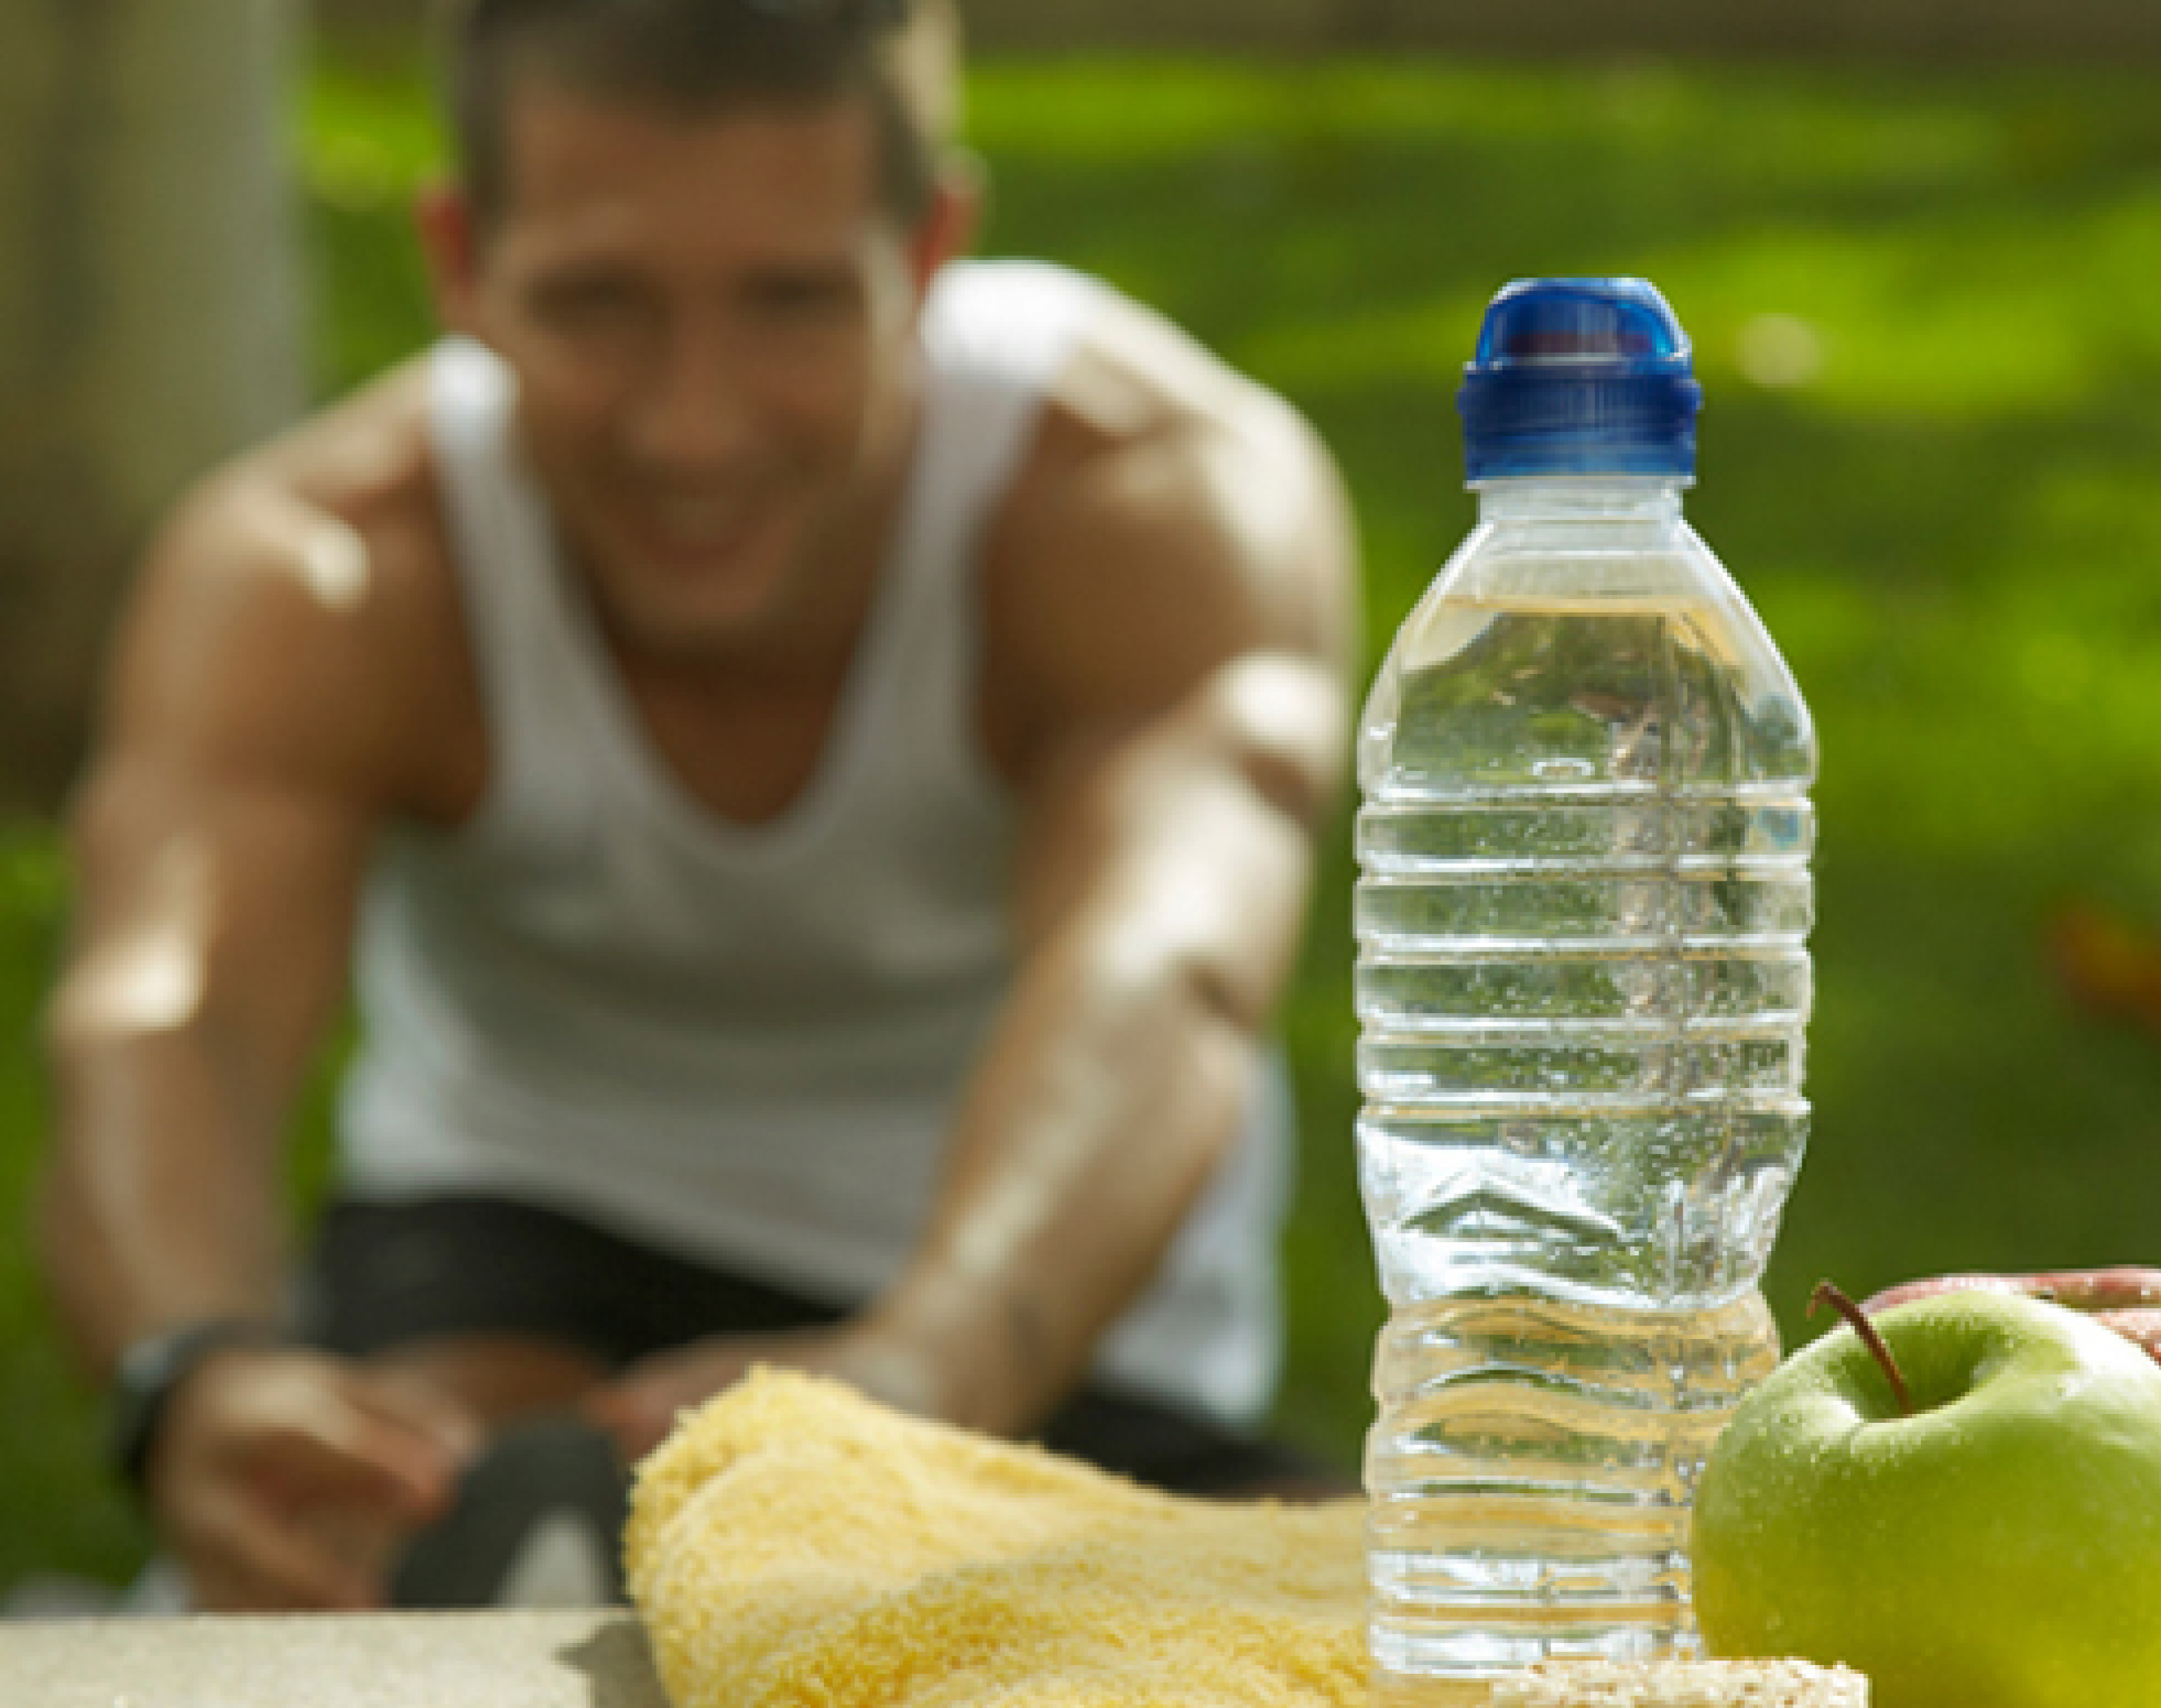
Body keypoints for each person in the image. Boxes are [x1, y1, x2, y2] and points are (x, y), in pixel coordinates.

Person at [37, 0, 1356, 1612]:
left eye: (791, 304)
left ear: (931, 248)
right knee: (467, 1537)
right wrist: (199, 1371)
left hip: (1032, 1303)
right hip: (516, 1241)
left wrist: (925, 1368)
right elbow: (174, 1011)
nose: (693, 424)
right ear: (458, 261)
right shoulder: (329, 566)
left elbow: (1164, 983)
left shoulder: (1149, 501)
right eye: (597, 305)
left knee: (1395, 1702)